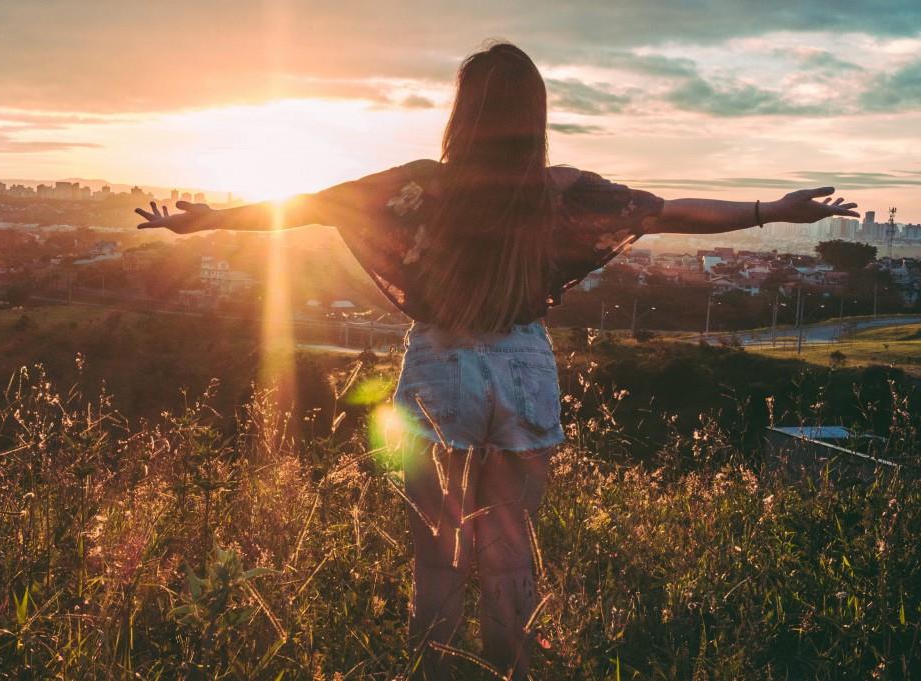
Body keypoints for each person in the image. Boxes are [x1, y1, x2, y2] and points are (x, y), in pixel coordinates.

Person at [135, 41, 858, 679]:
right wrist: (772, 208)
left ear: (463, 112)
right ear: (532, 114)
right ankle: (511, 668)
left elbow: (307, 205)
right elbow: (667, 208)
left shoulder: (420, 184)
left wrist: (203, 221)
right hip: (523, 366)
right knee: (511, 547)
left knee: (438, 555)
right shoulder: (560, 190)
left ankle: (439, 672)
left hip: (439, 367)